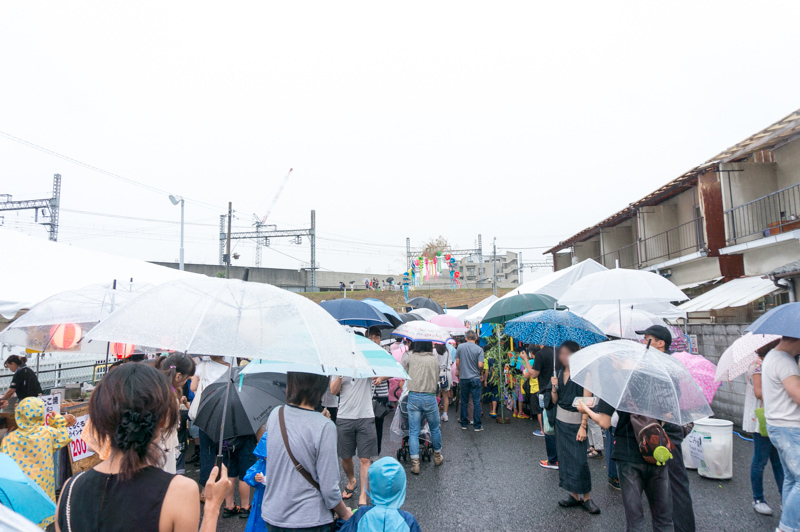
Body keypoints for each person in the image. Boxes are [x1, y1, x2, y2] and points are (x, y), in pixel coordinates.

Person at [55, 363, 231, 532]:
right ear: (162, 420)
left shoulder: (70, 489)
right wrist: (212, 508)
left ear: (98, 418)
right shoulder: (180, 491)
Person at [262, 372, 352, 531]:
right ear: (320, 387)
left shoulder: (276, 414)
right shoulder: (325, 427)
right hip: (310, 519)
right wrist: (345, 513)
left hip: (273, 515)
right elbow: (329, 488)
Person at [577, 389, 674, 530]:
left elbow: (604, 422)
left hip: (628, 454)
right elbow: (668, 416)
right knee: (664, 519)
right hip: (655, 451)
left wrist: (585, 409)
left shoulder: (617, 383)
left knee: (635, 521)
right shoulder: (655, 381)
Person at [638, 325, 696, 532]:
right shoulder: (658, 364)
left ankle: (683, 528)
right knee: (664, 484)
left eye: (647, 338)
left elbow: (667, 405)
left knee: (675, 484)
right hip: (662, 429)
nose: (643, 342)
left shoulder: (663, 367)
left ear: (661, 343)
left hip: (666, 431)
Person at [2, 396, 75, 527]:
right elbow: (63, 438)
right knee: (43, 505)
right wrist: (58, 420)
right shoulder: (47, 433)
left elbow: (4, 462)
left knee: (22, 510)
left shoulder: (9, 438)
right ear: (40, 414)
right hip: (43, 482)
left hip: (22, 483)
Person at [548, 341, 600, 514]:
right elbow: (554, 401)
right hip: (561, 422)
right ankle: (574, 495)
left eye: (567, 353)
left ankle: (587, 497)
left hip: (577, 422)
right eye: (561, 353)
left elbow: (587, 401)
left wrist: (583, 426)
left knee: (580, 461)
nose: (563, 357)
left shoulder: (584, 374)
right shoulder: (559, 373)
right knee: (565, 459)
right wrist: (554, 387)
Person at [762, 335, 800, 532]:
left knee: (791, 478)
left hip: (779, 426)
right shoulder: (785, 361)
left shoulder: (772, 355)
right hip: (790, 427)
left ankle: (789, 521)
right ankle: (787, 527)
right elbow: (798, 395)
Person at [743, 339, 784, 516]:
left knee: (778, 461)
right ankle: (758, 499)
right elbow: (759, 392)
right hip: (762, 417)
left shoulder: (767, 363)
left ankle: (786, 499)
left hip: (772, 416)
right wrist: (783, 389)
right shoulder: (758, 364)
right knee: (760, 460)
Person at [330, 371, 378, 507]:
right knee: (345, 457)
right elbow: (333, 391)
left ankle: (363, 495)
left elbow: (384, 373)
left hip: (366, 416)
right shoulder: (338, 366)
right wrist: (340, 375)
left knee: (365, 459)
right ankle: (352, 480)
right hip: (344, 417)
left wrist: (377, 376)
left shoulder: (366, 365)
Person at [338, 457, 421, 532]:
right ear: (402, 487)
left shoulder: (361, 514)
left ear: (372, 484)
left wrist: (342, 520)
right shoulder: (408, 520)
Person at [401, 341, 444, 475]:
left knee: (414, 431)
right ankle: (437, 457)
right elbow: (437, 377)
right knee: (434, 428)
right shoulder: (434, 360)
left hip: (413, 396)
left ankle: (415, 464)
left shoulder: (410, 358)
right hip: (429, 397)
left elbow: (405, 374)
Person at [191, 355, 230, 503]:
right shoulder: (229, 368)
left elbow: (193, 387)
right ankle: (223, 490)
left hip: (205, 413)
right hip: (223, 413)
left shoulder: (202, 366)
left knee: (206, 453)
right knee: (224, 452)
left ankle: (204, 491)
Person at [154, 353, 196, 475]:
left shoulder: (158, 388)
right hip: (163, 447)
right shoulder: (167, 396)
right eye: (186, 378)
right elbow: (165, 425)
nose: (186, 382)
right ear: (178, 376)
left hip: (160, 446)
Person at [520, 345, 557, 467]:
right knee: (557, 424)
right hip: (557, 390)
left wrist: (525, 359)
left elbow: (533, 374)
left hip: (546, 391)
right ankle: (559, 457)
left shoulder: (541, 354)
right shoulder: (557, 351)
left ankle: (553, 459)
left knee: (548, 425)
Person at [455, 330, 484, 431]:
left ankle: (464, 424)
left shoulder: (460, 347)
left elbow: (457, 362)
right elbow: (480, 365)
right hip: (475, 377)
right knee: (476, 402)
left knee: (464, 401)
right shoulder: (479, 349)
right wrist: (480, 372)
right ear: (476, 338)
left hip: (464, 377)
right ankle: (477, 425)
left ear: (466, 338)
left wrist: (460, 371)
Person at [367, 327, 390, 453]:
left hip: (381, 395)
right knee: (366, 425)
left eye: (376, 337)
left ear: (380, 338)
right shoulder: (363, 354)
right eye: (371, 337)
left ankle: (376, 451)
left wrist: (381, 377)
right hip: (366, 394)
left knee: (378, 424)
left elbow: (393, 371)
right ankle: (367, 452)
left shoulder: (385, 353)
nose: (373, 340)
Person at [243, 429, 268, 532]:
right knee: (258, 521)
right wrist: (254, 477)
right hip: (260, 499)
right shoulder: (261, 463)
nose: (266, 458)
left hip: (272, 500)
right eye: (264, 455)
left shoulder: (280, 464)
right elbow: (248, 475)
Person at [434, 343, 452, 422]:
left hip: (437, 373)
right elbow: (450, 362)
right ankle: (445, 415)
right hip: (445, 374)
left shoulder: (434, 351)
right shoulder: (447, 351)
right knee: (445, 395)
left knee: (437, 395)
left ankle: (437, 415)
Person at [484, 346, 499, 418]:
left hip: (489, 380)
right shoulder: (497, 359)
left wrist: (485, 380)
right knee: (495, 394)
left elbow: (486, 371)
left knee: (488, 395)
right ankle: (494, 411)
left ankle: (490, 410)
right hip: (496, 380)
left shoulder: (486, 359)